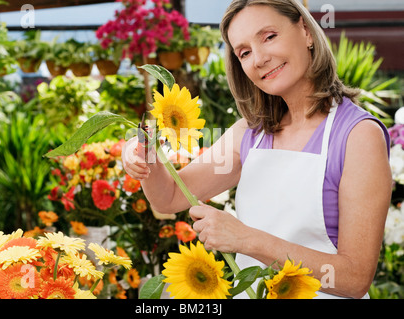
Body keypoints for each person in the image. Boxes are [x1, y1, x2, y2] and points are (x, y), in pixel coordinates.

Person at [122, 0, 392, 299]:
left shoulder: (357, 136)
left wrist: (247, 240)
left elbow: (354, 278)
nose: (259, 59)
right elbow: (170, 196)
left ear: (306, 32)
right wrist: (146, 158)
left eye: (269, 36)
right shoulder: (249, 134)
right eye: (245, 52)